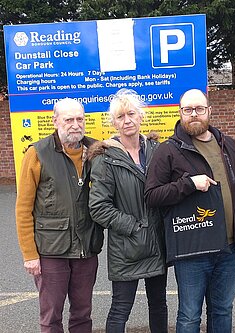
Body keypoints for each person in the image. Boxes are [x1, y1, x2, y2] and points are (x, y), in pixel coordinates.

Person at [145, 88, 235, 333]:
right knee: (190, 315)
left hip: (227, 247)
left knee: (223, 310)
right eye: (188, 110)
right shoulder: (168, 150)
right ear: (180, 113)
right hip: (192, 248)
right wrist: (188, 184)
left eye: (199, 109)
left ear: (209, 111)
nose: (194, 115)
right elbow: (151, 195)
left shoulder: (228, 144)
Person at [15, 98, 103, 333]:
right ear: (55, 121)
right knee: (51, 315)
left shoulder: (96, 151)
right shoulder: (37, 153)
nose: (75, 124)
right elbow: (23, 208)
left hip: (86, 247)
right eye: (69, 119)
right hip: (50, 250)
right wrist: (29, 254)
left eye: (80, 119)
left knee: (83, 314)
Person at [88, 89, 167, 332]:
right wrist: (133, 227)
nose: (127, 120)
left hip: (156, 242)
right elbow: (98, 207)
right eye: (120, 117)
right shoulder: (105, 158)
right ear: (114, 122)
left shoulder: (156, 150)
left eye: (131, 113)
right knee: (121, 307)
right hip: (126, 246)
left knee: (159, 304)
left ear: (141, 116)